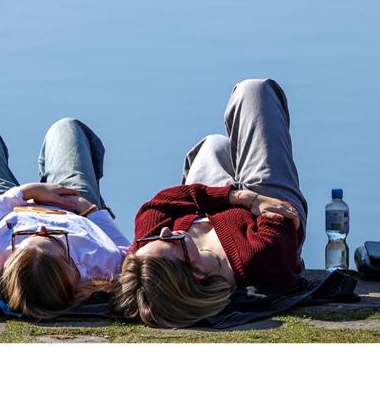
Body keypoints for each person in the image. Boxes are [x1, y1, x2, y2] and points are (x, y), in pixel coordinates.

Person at [111, 78, 308, 328]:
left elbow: (156, 205)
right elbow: (280, 217)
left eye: (149, 241)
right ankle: (241, 170)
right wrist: (256, 196)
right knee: (254, 92)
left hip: (231, 201)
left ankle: (235, 179)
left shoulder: (148, 258)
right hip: (272, 199)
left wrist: (238, 197)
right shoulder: (257, 257)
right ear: (196, 273)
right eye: (171, 242)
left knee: (212, 145)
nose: (164, 231)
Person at [0, 114, 130, 319]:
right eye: (54, 239)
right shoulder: (101, 266)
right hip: (74, 205)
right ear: (72, 268)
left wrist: (25, 193)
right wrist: (91, 210)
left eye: (24, 240)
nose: (41, 229)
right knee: (67, 128)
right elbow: (128, 251)